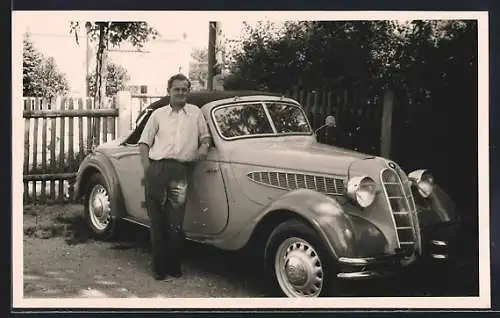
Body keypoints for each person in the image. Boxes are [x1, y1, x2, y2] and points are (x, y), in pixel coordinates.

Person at [138, 73, 211, 280]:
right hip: (157, 169)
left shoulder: (196, 113)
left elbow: (205, 137)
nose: (180, 93)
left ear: (188, 91)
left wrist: (204, 147)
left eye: (184, 89)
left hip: (181, 170)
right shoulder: (158, 115)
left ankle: (174, 266)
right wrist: (147, 167)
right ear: (168, 91)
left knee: (175, 222)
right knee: (157, 220)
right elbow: (144, 143)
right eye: (176, 89)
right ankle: (159, 268)